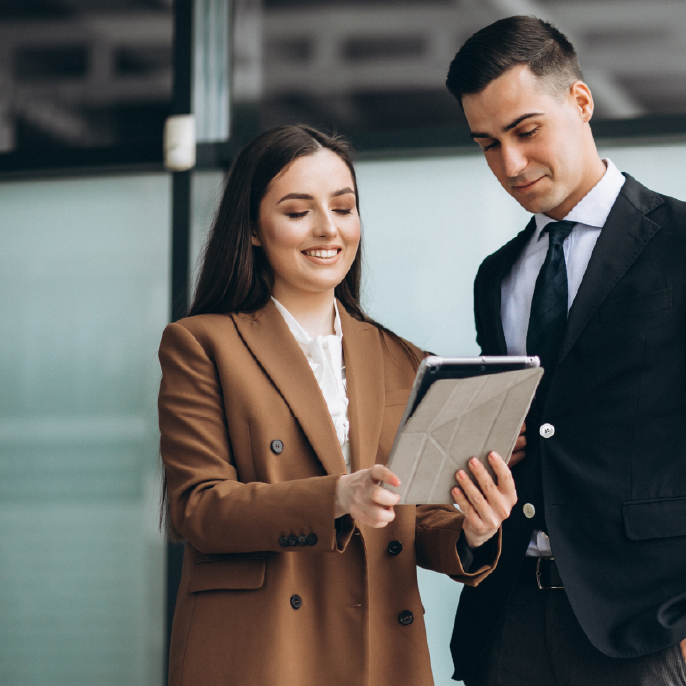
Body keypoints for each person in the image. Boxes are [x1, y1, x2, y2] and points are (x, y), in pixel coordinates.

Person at [158, 124, 519, 686]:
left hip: (381, 646)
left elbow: (418, 518)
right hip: (264, 649)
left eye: (344, 208)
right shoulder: (203, 344)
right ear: (252, 229)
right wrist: (338, 496)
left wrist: (474, 528)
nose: (329, 229)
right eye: (298, 211)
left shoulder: (403, 358)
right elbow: (199, 509)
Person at [444, 15, 686, 686]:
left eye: (525, 132)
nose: (510, 165)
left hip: (647, 626)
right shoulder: (496, 275)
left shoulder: (679, 243)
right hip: (506, 615)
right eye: (487, 144)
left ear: (580, 103)